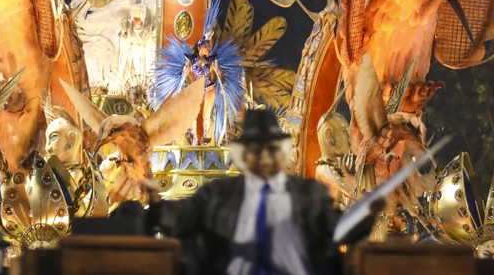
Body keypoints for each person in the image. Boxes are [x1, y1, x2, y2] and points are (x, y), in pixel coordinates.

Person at [154, 107, 381, 275]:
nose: (264, 157)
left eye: (271, 149)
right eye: (256, 150)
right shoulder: (217, 194)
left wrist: (365, 214)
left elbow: (339, 228)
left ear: (281, 153)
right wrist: (148, 202)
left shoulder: (308, 194)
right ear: (244, 156)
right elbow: (178, 215)